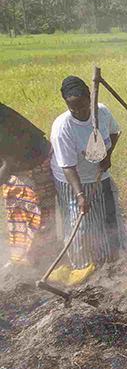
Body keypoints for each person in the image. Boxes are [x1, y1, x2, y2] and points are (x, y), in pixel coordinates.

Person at [48, 76, 127, 285]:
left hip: (101, 175)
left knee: (110, 217)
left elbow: (114, 132)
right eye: (71, 107)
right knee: (81, 223)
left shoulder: (102, 112)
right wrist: (80, 195)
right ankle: (83, 269)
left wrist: (108, 156)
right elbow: (67, 167)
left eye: (82, 105)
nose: (78, 111)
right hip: (72, 180)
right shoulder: (62, 127)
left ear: (89, 97)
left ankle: (114, 260)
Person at [1, 103, 57, 267]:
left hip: (34, 162)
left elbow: (8, 163)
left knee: (38, 213)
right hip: (14, 166)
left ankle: (45, 259)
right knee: (15, 211)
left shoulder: (2, 123)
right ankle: (20, 256)